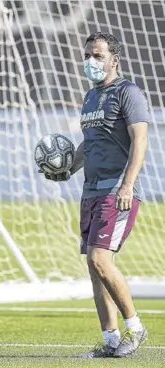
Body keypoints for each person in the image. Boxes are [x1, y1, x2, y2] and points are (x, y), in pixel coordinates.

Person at [41, 32, 149, 358]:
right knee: (94, 266)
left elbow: (140, 141)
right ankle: (111, 340)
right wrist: (65, 170)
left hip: (117, 191)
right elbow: (89, 145)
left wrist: (128, 185)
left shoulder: (127, 92)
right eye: (88, 55)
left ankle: (135, 328)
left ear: (114, 59)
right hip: (90, 193)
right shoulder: (90, 97)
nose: (91, 61)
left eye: (98, 55)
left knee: (101, 259)